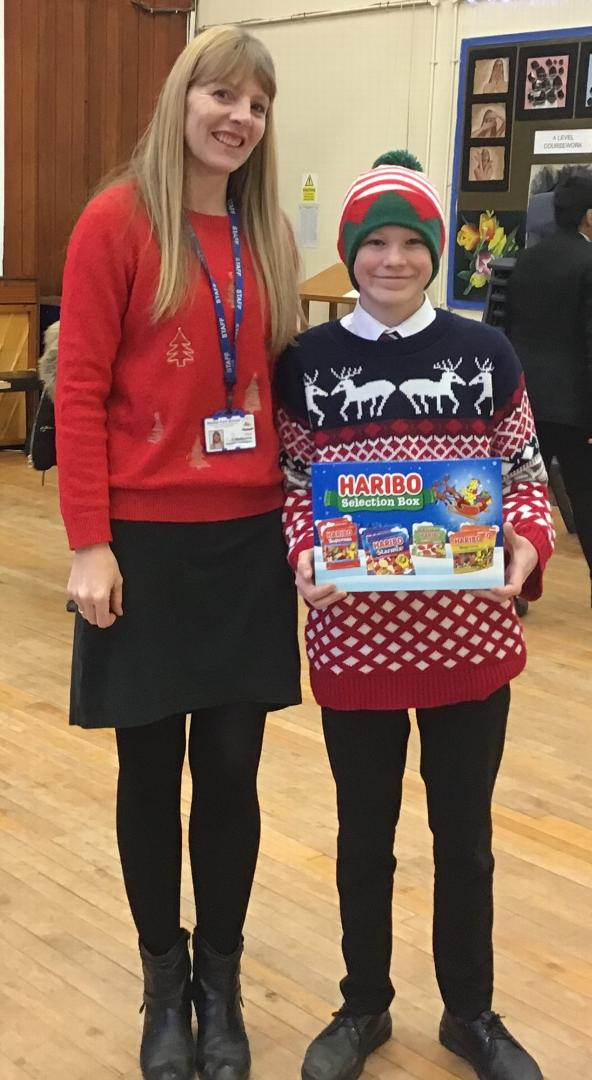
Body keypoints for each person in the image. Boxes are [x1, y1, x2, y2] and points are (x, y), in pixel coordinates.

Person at [55, 25, 301, 1080]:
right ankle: (164, 986)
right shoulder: (115, 220)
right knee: (149, 771)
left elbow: (285, 395)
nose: (238, 117)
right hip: (144, 546)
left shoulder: (266, 233)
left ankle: (220, 982)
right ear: (180, 97)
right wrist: (90, 543)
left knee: (234, 772)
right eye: (222, 94)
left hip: (247, 543)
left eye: (256, 104)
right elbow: (77, 390)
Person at [276, 151, 553, 1080]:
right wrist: (304, 552)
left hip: (468, 638)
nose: (392, 260)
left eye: (410, 243)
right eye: (374, 243)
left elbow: (524, 473)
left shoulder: (485, 354)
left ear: (435, 252)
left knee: (463, 839)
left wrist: (526, 544)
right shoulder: (308, 364)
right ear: (350, 252)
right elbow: (291, 485)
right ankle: (364, 1004)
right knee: (364, 838)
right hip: (356, 641)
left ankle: (470, 1013)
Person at [506, 168, 592, 606]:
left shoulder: (527, 259)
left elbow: (508, 326)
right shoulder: (589, 262)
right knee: (587, 498)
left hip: (525, 397)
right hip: (575, 403)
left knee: (522, 494)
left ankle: (515, 587)